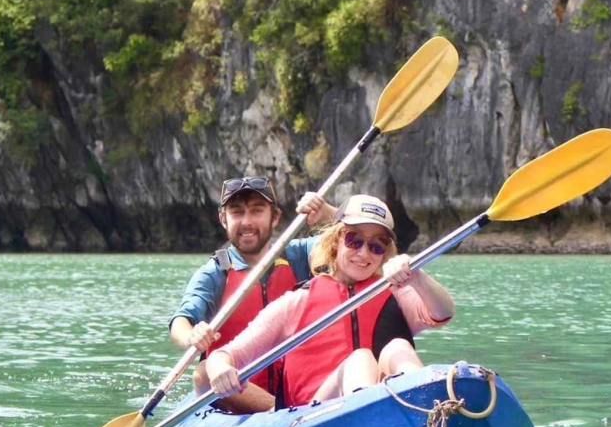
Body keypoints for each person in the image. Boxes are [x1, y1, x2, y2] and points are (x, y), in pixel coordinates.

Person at [203, 195, 454, 407]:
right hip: (312, 417)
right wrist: (219, 369)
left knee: (397, 347)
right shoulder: (297, 302)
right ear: (336, 241)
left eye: (377, 246)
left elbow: (443, 312)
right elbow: (227, 355)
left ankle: (424, 408)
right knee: (361, 359)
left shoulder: (394, 293)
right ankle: (368, 421)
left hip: (380, 406)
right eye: (354, 240)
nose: (364, 253)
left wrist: (416, 276)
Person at [169, 176, 332, 413]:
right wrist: (191, 335)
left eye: (257, 211)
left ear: (274, 217)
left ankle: (296, 410)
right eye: (237, 213)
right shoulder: (215, 273)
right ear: (223, 219)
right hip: (239, 391)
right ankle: (279, 412)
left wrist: (327, 212)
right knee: (204, 373)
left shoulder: (300, 255)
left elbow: (359, 239)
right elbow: (181, 321)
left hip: (300, 386)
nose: (247, 222)